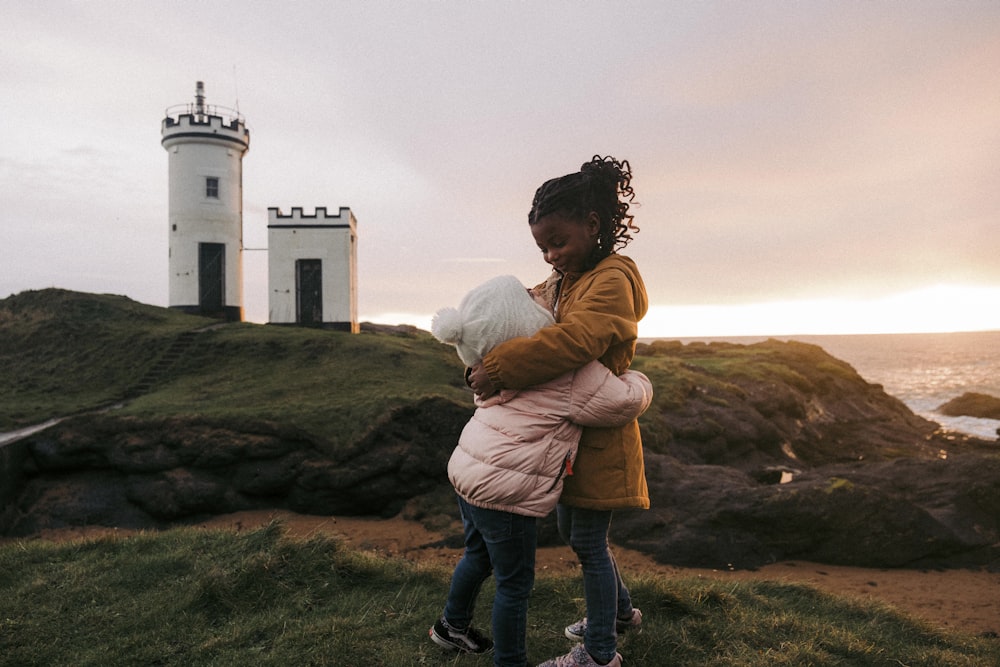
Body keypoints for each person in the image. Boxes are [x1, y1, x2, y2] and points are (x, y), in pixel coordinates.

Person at [466, 156, 648, 667]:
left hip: (600, 431)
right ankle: (619, 615)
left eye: (558, 242)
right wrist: (474, 336)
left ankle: (599, 654)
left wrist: (498, 369)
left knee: (588, 541)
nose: (550, 256)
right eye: (542, 247)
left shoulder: (613, 279)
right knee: (580, 534)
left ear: (592, 225)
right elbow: (528, 312)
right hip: (570, 433)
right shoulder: (567, 277)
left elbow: (575, 339)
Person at [428, 274, 653, 667]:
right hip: (505, 492)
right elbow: (623, 401)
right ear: (523, 321)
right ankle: (510, 662)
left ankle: (451, 626)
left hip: (467, 474)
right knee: (514, 585)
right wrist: (637, 379)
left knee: (476, 556)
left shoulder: (492, 365)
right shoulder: (565, 373)